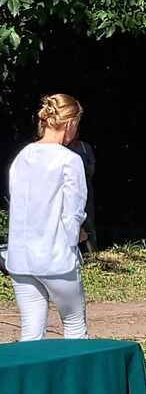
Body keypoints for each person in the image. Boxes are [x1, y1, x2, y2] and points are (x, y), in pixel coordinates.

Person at [6, 94, 89, 341]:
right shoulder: (70, 160)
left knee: (31, 331)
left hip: (20, 259)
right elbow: (73, 212)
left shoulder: (23, 156)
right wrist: (76, 239)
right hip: (56, 259)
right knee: (74, 325)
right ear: (70, 123)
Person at [68, 137, 97, 252]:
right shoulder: (64, 148)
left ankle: (92, 252)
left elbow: (92, 167)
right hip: (70, 188)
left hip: (86, 187)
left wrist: (83, 171)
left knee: (88, 219)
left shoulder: (85, 147)